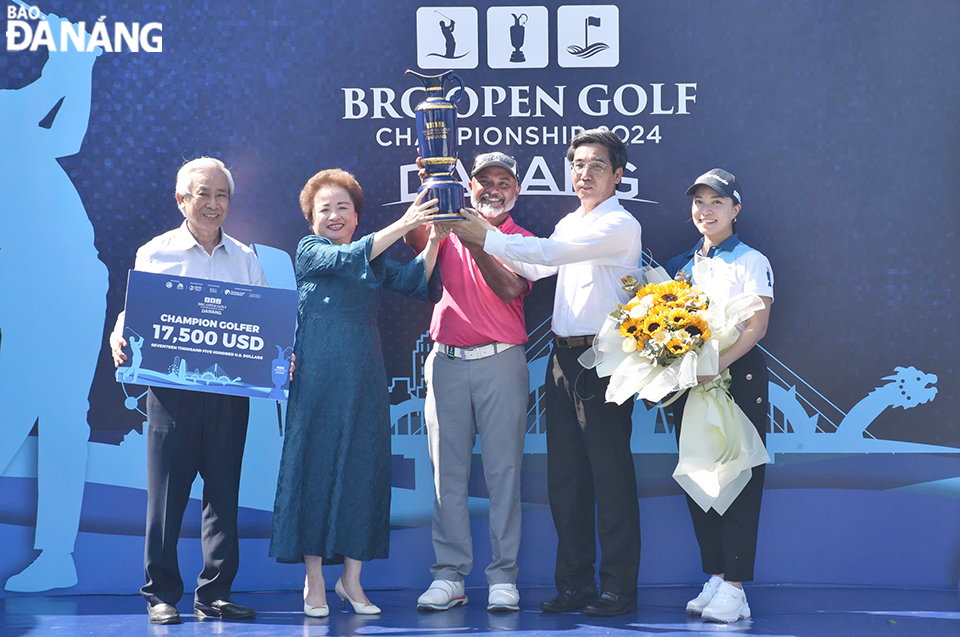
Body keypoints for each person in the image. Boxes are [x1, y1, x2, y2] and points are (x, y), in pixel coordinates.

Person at [451, 129, 643, 617]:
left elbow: (550, 256)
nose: (584, 174)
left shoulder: (619, 223)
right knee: (567, 480)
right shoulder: (567, 221)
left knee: (610, 478)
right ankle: (575, 584)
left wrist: (485, 237)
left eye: (597, 165)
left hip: (604, 362)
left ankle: (619, 588)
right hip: (561, 360)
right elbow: (534, 269)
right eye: (577, 164)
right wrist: (482, 237)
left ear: (618, 174)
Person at [269, 169, 443, 618]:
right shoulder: (310, 251)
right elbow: (347, 260)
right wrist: (406, 223)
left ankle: (352, 581)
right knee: (314, 468)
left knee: (361, 471)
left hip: (364, 377)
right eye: (324, 208)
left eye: (343, 207)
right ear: (311, 219)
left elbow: (412, 282)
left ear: (357, 215)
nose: (334, 215)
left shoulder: (373, 255)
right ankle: (314, 583)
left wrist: (435, 240)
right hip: (315, 380)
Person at [110, 157, 267, 625]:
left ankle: (215, 594)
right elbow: (133, 313)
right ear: (182, 200)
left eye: (222, 195)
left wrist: (279, 354)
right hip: (171, 392)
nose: (214, 204)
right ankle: (161, 594)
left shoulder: (245, 257)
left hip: (229, 393)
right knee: (167, 498)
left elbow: (262, 325)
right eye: (204, 194)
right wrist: (120, 334)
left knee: (223, 495)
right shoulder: (155, 252)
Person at [0, 13, 104, 593]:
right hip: (28, 286)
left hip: (72, 280)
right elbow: (49, 103)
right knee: (21, 408)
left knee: (61, 410)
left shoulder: (15, 134)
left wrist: (76, 59)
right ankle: (57, 554)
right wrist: (74, 55)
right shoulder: (6, 125)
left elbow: (67, 135)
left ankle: (57, 555)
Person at [405, 152, 534, 612]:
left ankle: (503, 576)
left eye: (504, 182)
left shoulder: (521, 238)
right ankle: (450, 576)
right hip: (446, 362)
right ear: (470, 187)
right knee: (448, 474)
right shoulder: (448, 226)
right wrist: (432, 186)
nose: (493, 189)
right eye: (484, 181)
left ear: (516, 192)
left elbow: (510, 288)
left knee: (504, 473)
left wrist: (476, 238)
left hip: (501, 361)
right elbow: (413, 238)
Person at [664, 169, 773, 624]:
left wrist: (716, 365)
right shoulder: (680, 266)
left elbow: (757, 325)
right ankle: (714, 575)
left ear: (736, 209)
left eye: (716, 202)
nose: (705, 211)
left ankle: (735, 586)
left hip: (735, 378)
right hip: (690, 383)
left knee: (739, 479)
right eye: (699, 203)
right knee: (699, 478)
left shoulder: (751, 259)